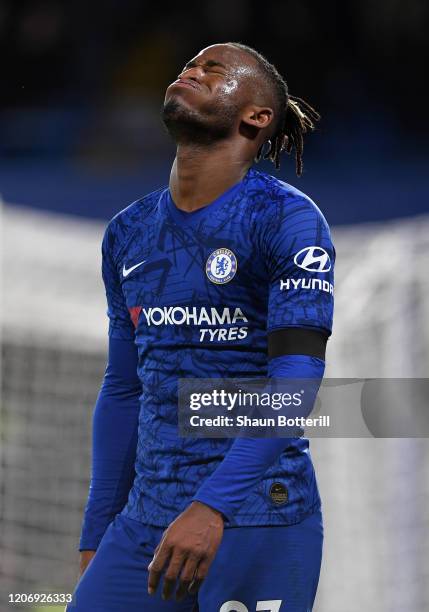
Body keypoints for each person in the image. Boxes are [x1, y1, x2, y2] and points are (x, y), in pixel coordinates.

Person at [68, 42, 335, 612]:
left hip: (256, 515)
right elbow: (124, 388)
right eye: (188, 64)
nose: (191, 70)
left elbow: (296, 378)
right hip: (145, 522)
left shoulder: (286, 218)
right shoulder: (128, 232)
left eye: (213, 70)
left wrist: (213, 506)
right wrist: (97, 530)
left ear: (256, 117)